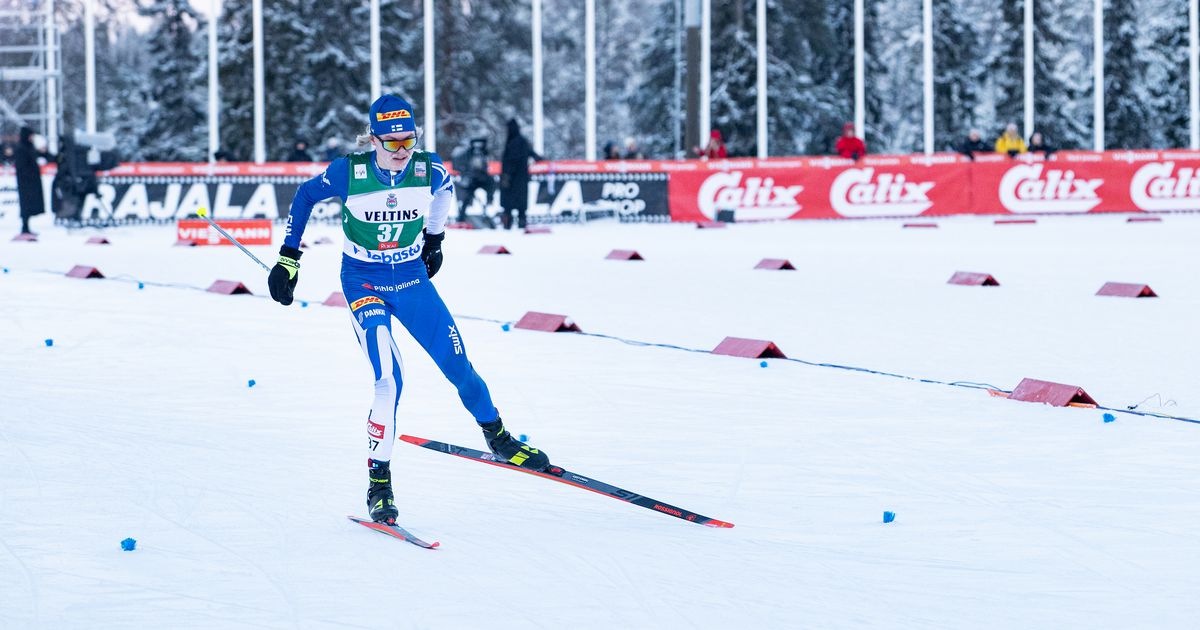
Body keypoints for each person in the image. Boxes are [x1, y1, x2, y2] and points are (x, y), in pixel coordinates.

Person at [269, 95, 550, 526]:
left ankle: (498, 437)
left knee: (459, 368)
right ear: (374, 140)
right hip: (363, 281)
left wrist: (435, 239)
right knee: (388, 379)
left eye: (409, 142)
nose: (402, 153)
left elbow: (445, 192)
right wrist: (290, 257)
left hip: (411, 279)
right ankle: (379, 484)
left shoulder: (427, 168)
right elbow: (305, 198)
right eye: (392, 143)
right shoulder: (350, 171)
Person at [498, 118, 541, 230]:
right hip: (521, 179)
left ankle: (509, 224)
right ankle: (521, 223)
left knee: (508, 205)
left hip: (511, 179)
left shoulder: (513, 141)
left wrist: (507, 175)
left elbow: (511, 161)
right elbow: (532, 154)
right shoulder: (521, 141)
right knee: (521, 204)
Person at [14, 126, 50, 235]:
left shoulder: (29, 147)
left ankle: (26, 227)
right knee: (26, 205)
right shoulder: (21, 148)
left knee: (29, 205)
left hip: (31, 181)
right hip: (25, 182)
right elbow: (22, 166)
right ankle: (25, 227)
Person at [454, 137, 495, 222]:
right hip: (472, 180)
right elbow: (459, 164)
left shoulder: (484, 152)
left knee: (491, 182)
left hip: (483, 179)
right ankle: (461, 217)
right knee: (466, 197)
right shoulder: (468, 153)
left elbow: (486, 166)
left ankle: (489, 201)